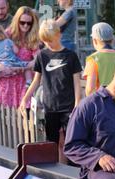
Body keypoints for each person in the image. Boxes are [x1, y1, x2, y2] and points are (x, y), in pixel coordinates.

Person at [20, 19, 81, 149]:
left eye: (51, 40)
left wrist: (77, 103)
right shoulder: (42, 55)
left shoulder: (71, 56)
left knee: (71, 142)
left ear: (59, 35)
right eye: (45, 41)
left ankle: (72, 168)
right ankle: (54, 168)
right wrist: (25, 98)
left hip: (68, 106)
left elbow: (77, 82)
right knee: (51, 142)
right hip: (50, 106)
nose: (49, 44)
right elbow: (36, 80)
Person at [0, 6, 40, 108]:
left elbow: (37, 59)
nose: (26, 25)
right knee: (4, 115)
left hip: (24, 82)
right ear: (17, 20)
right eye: (22, 22)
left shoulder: (33, 37)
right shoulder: (7, 34)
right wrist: (1, 67)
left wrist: (23, 67)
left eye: (29, 23)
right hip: (6, 80)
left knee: (25, 114)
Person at [0, 23, 33, 99]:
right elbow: (16, 51)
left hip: (1, 68)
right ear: (2, 32)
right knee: (27, 67)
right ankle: (28, 81)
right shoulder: (8, 41)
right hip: (13, 64)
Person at [83, 22, 115, 96]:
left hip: (102, 101)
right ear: (112, 39)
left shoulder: (93, 59)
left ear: (94, 40)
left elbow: (90, 88)